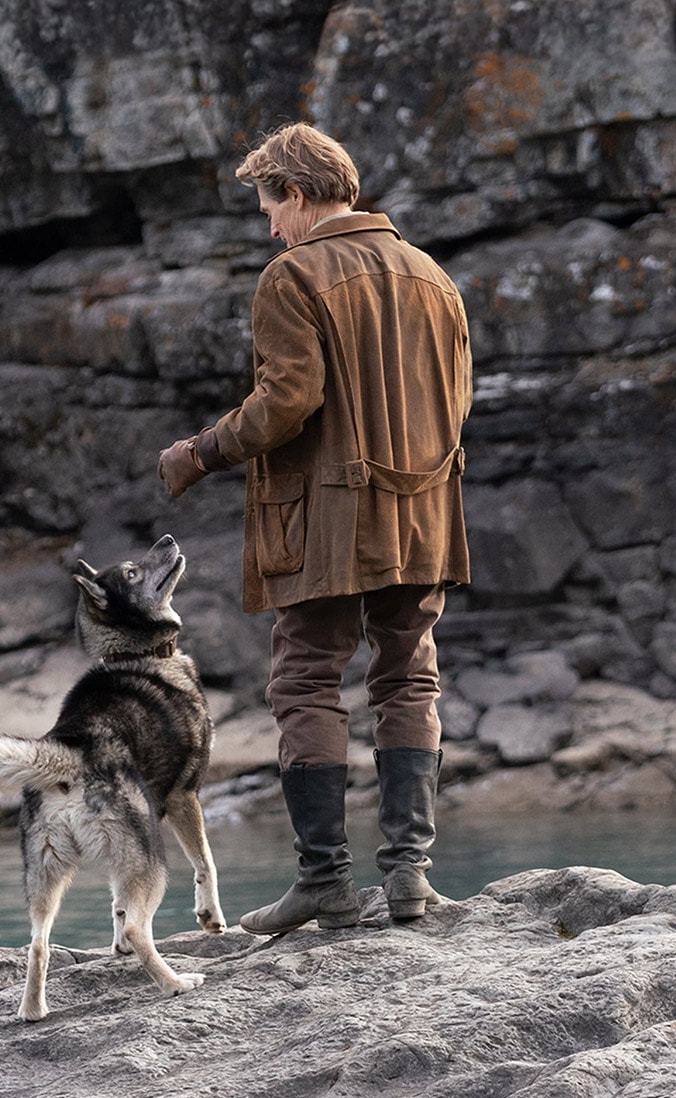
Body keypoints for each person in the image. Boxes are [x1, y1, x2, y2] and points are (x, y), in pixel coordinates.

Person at [157, 123, 472, 933]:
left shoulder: (292, 276)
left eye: (269, 208)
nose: (269, 228)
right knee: (409, 676)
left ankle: (326, 881)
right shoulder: (432, 275)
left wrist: (201, 451)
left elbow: (286, 404)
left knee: (304, 680)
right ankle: (409, 879)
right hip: (426, 508)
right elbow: (458, 401)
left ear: (297, 195)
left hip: (327, 520)